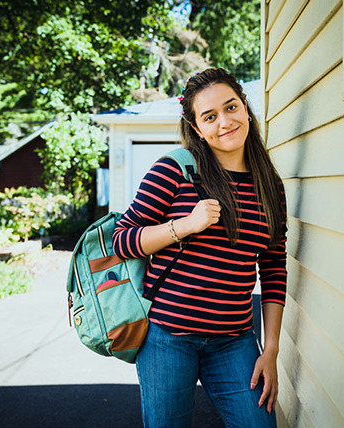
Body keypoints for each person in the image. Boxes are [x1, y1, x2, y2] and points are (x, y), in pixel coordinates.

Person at [112, 67, 287, 428]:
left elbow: (273, 266)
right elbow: (122, 240)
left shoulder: (270, 185)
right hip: (166, 337)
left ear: (246, 108)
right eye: (210, 116)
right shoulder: (174, 171)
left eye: (231, 107)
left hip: (235, 340)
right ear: (197, 129)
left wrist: (271, 349)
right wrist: (185, 226)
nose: (225, 121)